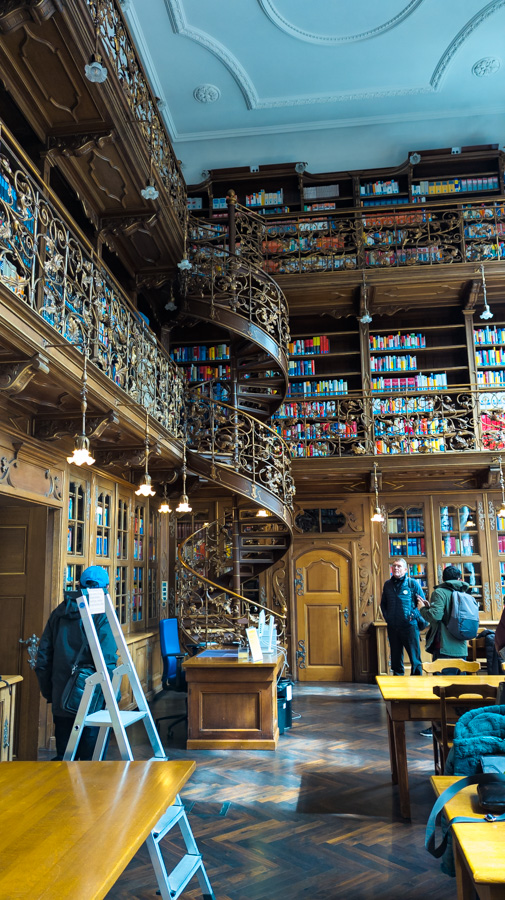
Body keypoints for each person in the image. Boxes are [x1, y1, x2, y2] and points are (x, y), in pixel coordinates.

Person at [35, 565, 117, 760]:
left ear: (79, 585)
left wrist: (52, 692)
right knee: (91, 764)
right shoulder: (103, 615)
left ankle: (64, 791)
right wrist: (112, 697)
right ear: (106, 587)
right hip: (92, 700)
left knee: (66, 759)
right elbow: (108, 663)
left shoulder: (59, 612)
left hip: (62, 697)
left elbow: (43, 659)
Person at [380, 558, 426, 676]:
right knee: (395, 658)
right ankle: (398, 684)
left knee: (415, 658)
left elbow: (422, 604)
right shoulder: (387, 585)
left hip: (410, 626)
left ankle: (417, 684)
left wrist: (412, 616)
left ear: (405, 569)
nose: (396, 568)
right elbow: (383, 604)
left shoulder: (412, 584)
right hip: (393, 627)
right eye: (394, 566)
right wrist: (388, 618)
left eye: (399, 566)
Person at [422, 565, 472, 667]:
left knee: (443, 681)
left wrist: (422, 609)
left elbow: (436, 616)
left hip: (444, 646)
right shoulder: (464, 593)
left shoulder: (440, 592)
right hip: (461, 647)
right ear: (459, 579)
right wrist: (429, 608)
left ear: (443, 579)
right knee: (460, 681)